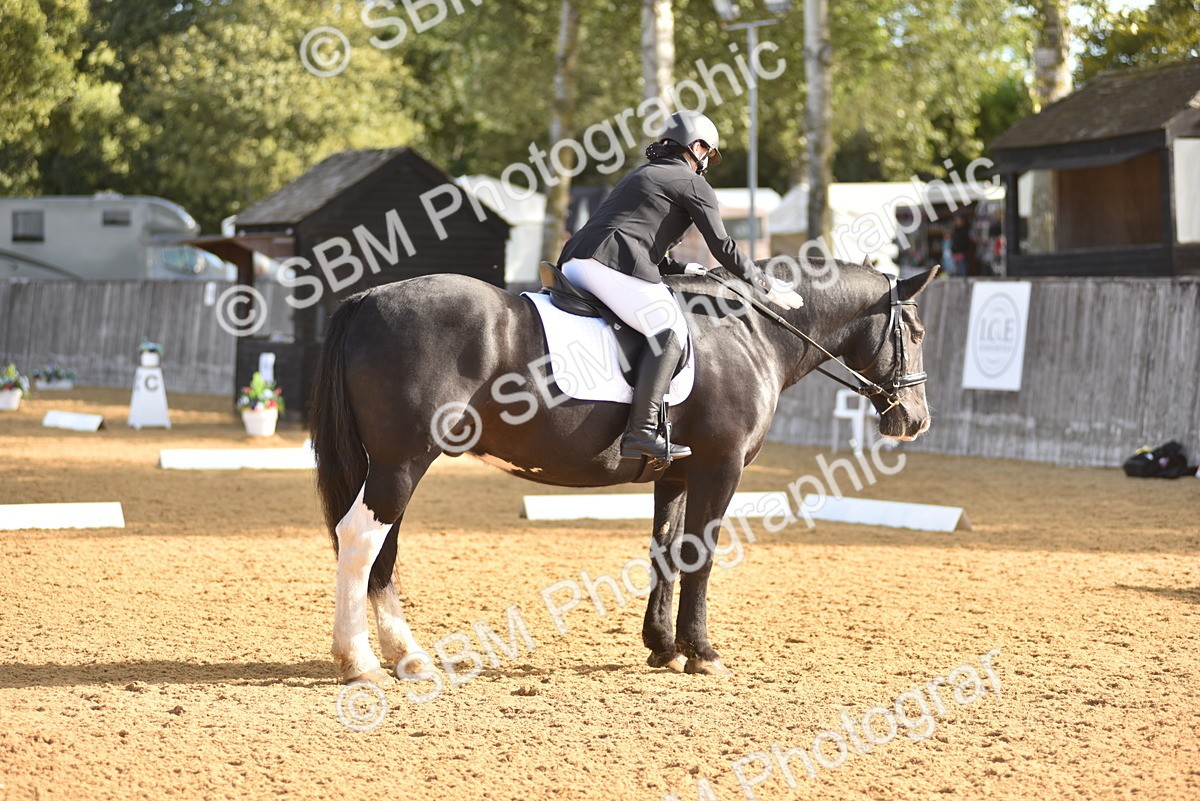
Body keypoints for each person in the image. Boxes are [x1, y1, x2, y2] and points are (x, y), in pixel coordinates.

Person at [557, 110, 803, 462]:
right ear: (697, 146)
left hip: (575, 262)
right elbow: (723, 246)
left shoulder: (641, 173)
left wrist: (681, 267)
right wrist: (763, 283)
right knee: (669, 328)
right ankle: (641, 432)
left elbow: (634, 234)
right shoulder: (691, 182)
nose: (706, 164)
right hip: (607, 265)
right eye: (708, 155)